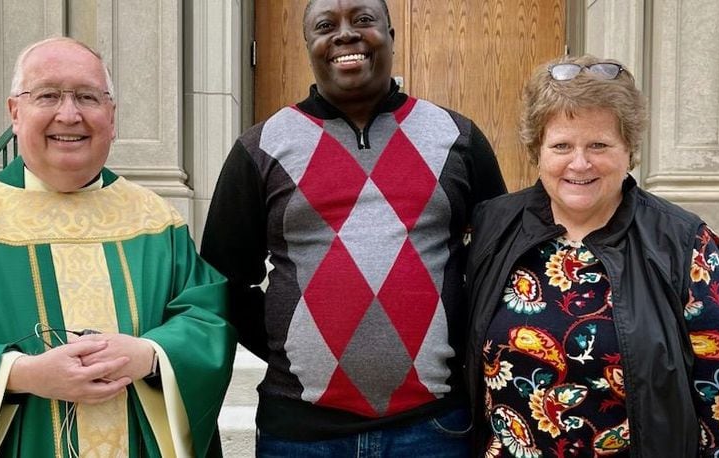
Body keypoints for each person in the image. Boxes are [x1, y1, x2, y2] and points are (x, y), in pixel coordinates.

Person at [201, 0, 506, 456]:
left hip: (434, 427)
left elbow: (497, 266)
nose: (345, 35)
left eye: (363, 20)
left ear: (391, 36)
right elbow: (223, 278)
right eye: (326, 26)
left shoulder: (456, 137)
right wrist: (296, 351)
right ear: (310, 46)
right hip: (300, 433)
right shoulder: (262, 146)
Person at [0, 37, 235, 457]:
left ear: (111, 117)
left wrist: (149, 356)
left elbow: (206, 319)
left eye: (88, 97)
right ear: (15, 113)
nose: (69, 114)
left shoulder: (154, 218)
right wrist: (21, 373)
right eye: (48, 95)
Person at [464, 54, 719, 456]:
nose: (580, 163)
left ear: (628, 148)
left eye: (599, 144)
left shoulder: (682, 243)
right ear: (537, 150)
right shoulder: (493, 226)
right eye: (561, 145)